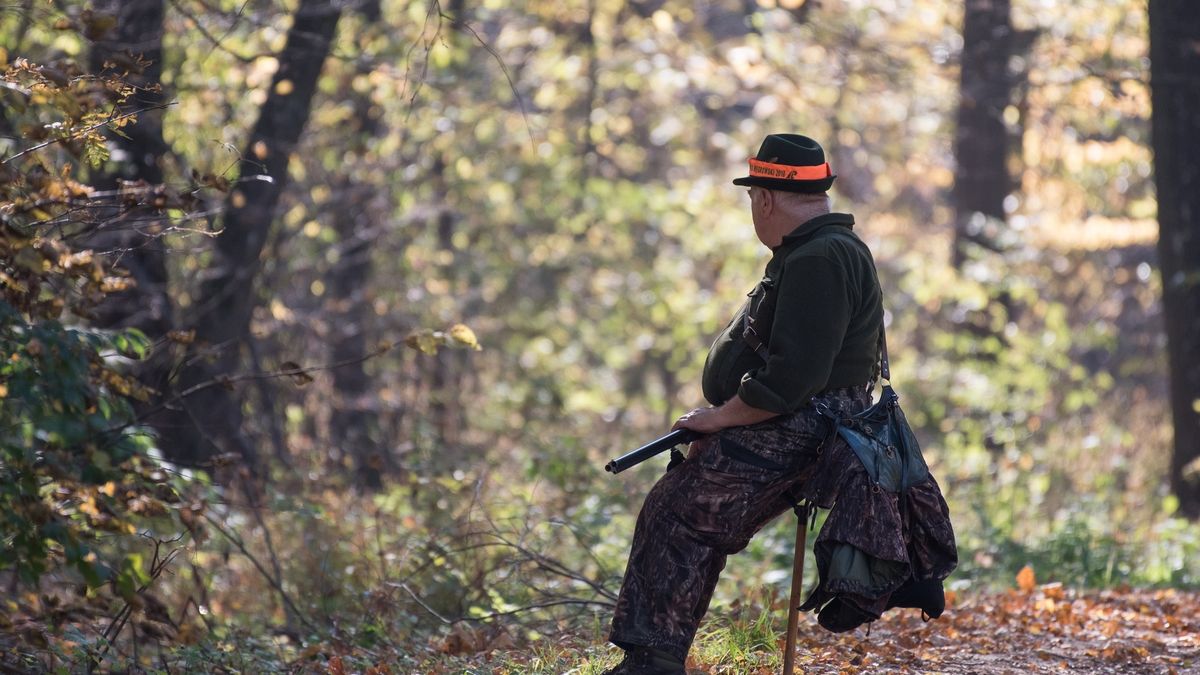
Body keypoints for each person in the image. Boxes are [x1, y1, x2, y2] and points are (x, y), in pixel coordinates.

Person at [603, 133, 887, 675]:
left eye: (754, 197)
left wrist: (720, 418)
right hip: (813, 423)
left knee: (678, 510)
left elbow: (793, 380)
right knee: (683, 509)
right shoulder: (823, 249)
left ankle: (652, 663)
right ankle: (653, 658)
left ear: (765, 198)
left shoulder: (818, 258)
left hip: (802, 426)